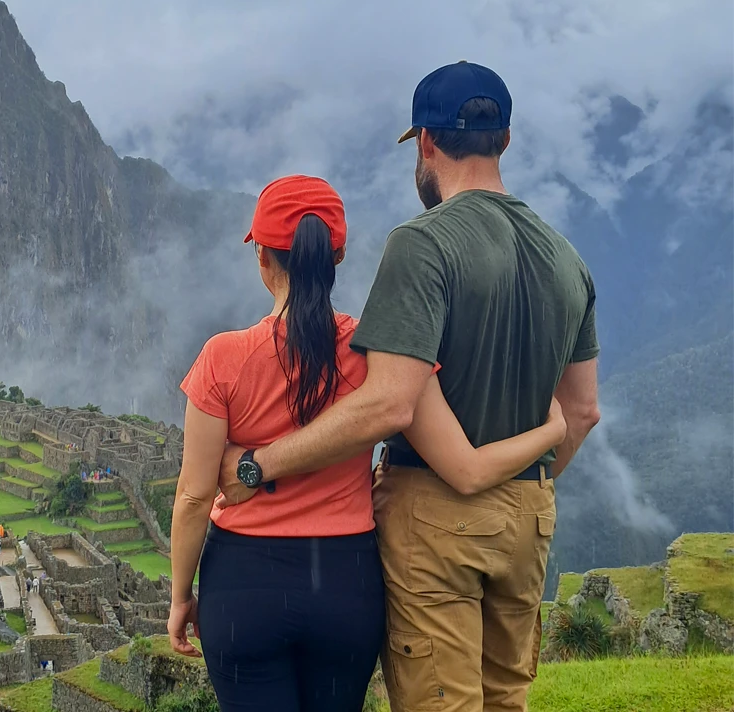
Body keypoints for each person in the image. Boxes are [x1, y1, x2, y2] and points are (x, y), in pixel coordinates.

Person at [215, 64, 601, 712]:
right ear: (505, 140)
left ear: (425, 143)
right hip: (530, 516)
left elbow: (390, 401)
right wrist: (517, 494)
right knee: (508, 698)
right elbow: (583, 411)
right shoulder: (567, 257)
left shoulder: (424, 245)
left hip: (436, 515)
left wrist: (257, 465)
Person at [169, 173, 568, 712]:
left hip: (243, 584)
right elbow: (464, 464)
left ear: (262, 258)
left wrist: (180, 598)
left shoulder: (223, 358)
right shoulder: (379, 357)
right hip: (346, 583)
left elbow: (194, 496)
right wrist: (550, 431)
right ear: (338, 257)